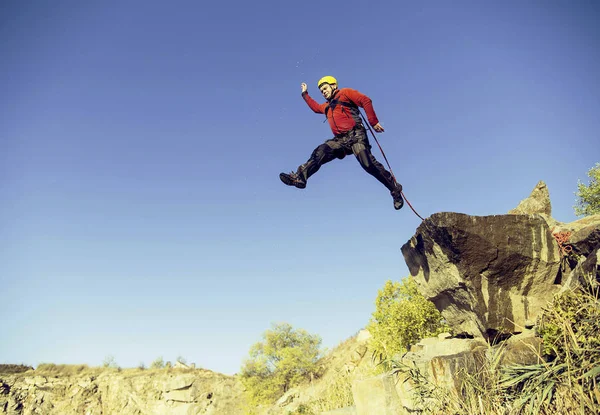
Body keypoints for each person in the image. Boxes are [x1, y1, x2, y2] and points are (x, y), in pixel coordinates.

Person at [279, 76, 404, 210]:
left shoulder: (345, 93)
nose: (323, 92)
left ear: (333, 86)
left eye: (325, 88)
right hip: (340, 141)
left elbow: (365, 100)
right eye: (321, 91)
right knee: (320, 151)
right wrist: (305, 94)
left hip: (356, 135)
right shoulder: (326, 106)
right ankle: (300, 177)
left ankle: (394, 189)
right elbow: (316, 108)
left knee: (367, 164)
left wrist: (373, 122)